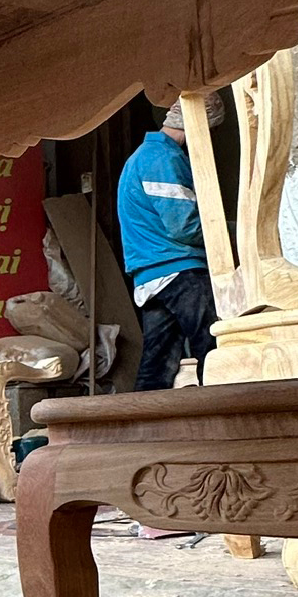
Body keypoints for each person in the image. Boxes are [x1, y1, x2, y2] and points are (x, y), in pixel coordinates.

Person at [116, 104, 216, 389]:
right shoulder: (164, 158)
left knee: (157, 366)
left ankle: (143, 417)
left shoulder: (143, 156)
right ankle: (219, 411)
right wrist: (229, 234)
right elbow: (183, 226)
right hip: (179, 270)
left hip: (151, 276)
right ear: (198, 125)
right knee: (214, 350)